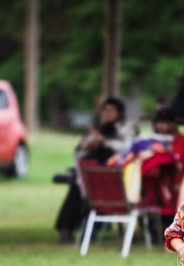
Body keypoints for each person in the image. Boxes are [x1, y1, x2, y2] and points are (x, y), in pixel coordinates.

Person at [54, 96, 136, 244]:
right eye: (104, 110)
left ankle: (83, 228)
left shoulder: (127, 128)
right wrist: (88, 146)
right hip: (94, 174)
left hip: (118, 175)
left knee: (80, 184)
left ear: (119, 112)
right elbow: (78, 153)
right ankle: (66, 230)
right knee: (77, 186)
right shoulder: (99, 129)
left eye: (110, 110)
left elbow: (128, 148)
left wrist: (104, 142)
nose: (106, 114)